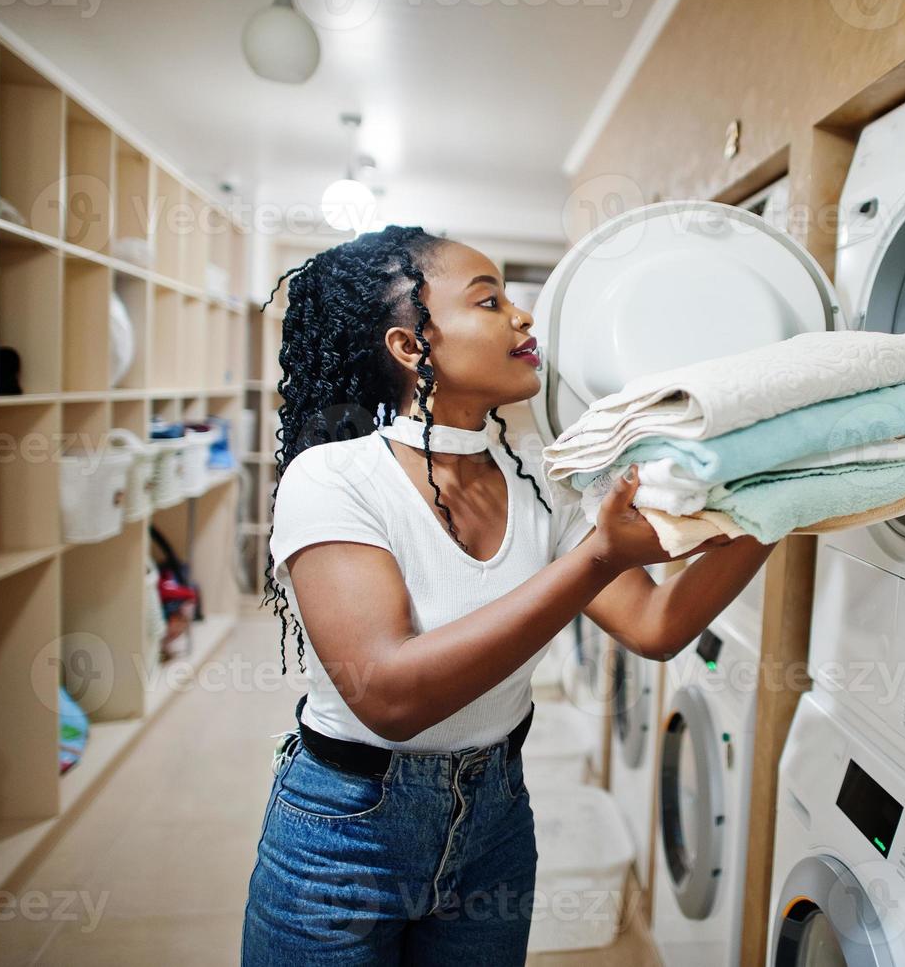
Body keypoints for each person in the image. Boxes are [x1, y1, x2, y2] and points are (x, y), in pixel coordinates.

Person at [241, 225, 774, 964]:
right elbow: (390, 697)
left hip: (494, 819)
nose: (523, 317)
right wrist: (591, 561)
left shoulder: (540, 483)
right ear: (409, 346)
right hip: (347, 833)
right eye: (489, 302)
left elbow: (656, 624)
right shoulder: (335, 478)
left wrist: (780, 499)